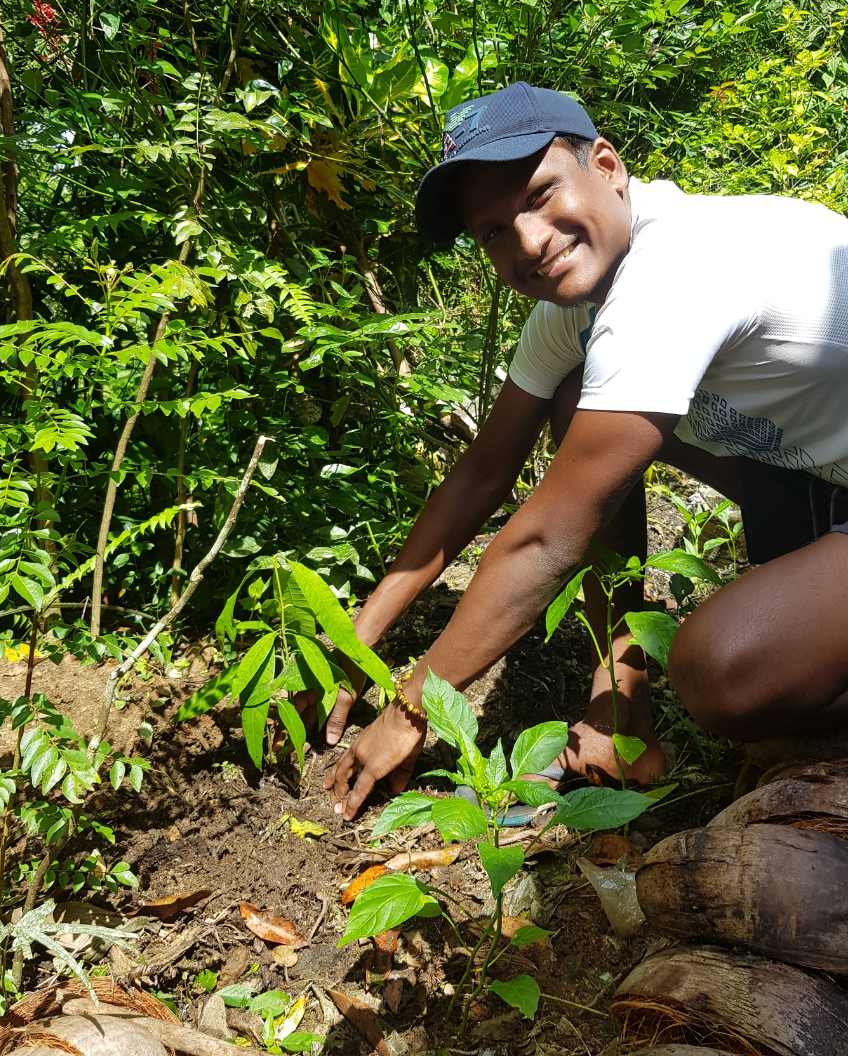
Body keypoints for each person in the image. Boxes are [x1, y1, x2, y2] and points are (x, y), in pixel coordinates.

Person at [323, 81, 848, 822]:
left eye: (540, 196)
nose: (529, 243)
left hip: (821, 481)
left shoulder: (677, 271)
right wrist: (358, 634)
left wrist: (412, 710)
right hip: (819, 477)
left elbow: (548, 539)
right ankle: (619, 707)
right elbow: (484, 469)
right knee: (576, 402)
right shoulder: (579, 303)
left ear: (606, 165)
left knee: (720, 668)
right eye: (493, 232)